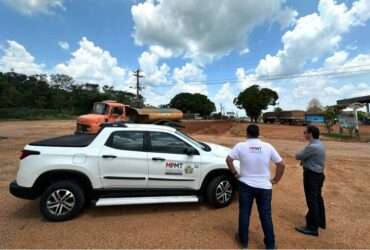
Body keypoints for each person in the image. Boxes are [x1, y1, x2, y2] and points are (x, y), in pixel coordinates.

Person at [226, 124, 285, 249]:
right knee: (265, 215)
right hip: (264, 187)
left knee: (244, 212)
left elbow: (229, 160)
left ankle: (244, 241)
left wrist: (236, 174)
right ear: (258, 133)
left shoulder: (240, 146)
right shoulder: (267, 146)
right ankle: (270, 244)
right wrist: (275, 180)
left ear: (247, 133)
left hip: (245, 184)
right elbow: (281, 164)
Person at [295, 125, 326, 236]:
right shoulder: (319, 144)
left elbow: (298, 156)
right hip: (318, 174)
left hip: (312, 175)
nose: (304, 134)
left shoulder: (312, 147)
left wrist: (302, 156)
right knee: (318, 198)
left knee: (312, 201)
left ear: (310, 134)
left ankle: (312, 228)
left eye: (305, 132)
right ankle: (320, 222)